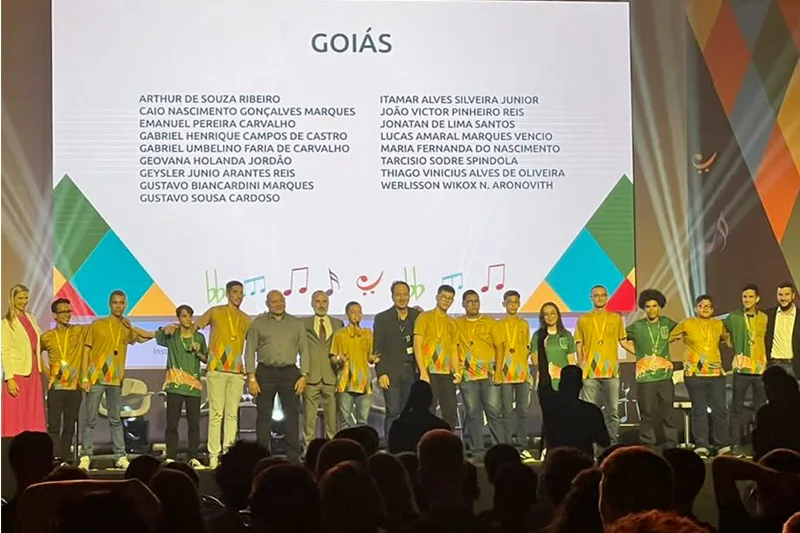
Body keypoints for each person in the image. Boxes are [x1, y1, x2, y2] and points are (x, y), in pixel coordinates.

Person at [80, 290, 153, 470]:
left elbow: (143, 339)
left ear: (125, 305)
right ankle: (86, 455)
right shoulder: (97, 324)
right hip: (96, 378)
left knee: (115, 420)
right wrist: (84, 377)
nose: (118, 306)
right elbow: (86, 351)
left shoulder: (126, 327)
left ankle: (120, 456)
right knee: (90, 419)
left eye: (121, 303)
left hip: (115, 380)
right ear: (109, 304)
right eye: (115, 302)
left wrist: (136, 328)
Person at [245, 290, 310, 462]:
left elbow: (304, 351)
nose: (278, 304)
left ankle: (293, 456)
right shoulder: (258, 323)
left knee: (292, 415)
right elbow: (249, 350)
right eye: (274, 302)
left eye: (280, 300)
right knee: (264, 416)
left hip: (290, 373)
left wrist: (304, 376)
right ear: (267, 304)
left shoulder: (296, 323)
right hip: (265, 373)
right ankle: (262, 455)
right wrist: (251, 378)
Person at [192, 280, 252, 469]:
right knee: (216, 414)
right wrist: (200, 351)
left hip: (236, 372)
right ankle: (213, 457)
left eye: (241, 292)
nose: (238, 296)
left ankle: (228, 456)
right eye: (235, 292)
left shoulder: (246, 318)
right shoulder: (215, 311)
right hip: (216, 369)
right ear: (227, 293)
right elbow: (195, 328)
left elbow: (254, 342)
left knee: (232, 415)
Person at [670, 294, 731, 457]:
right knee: (699, 411)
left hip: (716, 374)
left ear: (713, 309)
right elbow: (668, 337)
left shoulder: (718, 324)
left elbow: (727, 339)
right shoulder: (687, 323)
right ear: (696, 308)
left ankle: (722, 445)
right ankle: (701, 445)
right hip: (694, 374)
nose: (705, 309)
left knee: (720, 410)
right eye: (701, 306)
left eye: (708, 306)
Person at [574, 285, 630, 444]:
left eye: (602, 295)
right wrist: (580, 364)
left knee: (612, 412)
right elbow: (579, 343)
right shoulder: (583, 319)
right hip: (590, 373)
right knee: (589, 412)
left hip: (611, 372)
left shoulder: (616, 318)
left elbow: (624, 342)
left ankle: (611, 444)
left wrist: (642, 354)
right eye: (596, 295)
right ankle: (590, 445)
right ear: (591, 298)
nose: (599, 298)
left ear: (607, 297)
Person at [624, 289, 679, 449]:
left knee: (668, 412)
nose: (651, 309)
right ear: (644, 308)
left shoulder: (667, 323)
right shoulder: (637, 326)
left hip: (665, 377)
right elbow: (621, 338)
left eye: (654, 306)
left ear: (660, 307)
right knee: (646, 412)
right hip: (645, 378)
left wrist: (671, 339)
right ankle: (648, 444)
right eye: (648, 306)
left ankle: (671, 444)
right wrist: (638, 353)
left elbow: (683, 332)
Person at [156, 304, 208, 466]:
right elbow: (158, 336)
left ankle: (193, 456)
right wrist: (166, 328)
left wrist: (198, 352)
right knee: (172, 423)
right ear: (178, 318)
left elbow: (206, 359)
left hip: (193, 387)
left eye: (190, 316)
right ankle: (171, 455)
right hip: (175, 386)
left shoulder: (199, 337)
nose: (188, 319)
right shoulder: (172, 335)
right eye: (184, 316)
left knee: (194, 423)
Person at [373, 281, 422, 441]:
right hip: (391, 373)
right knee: (393, 412)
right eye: (398, 294)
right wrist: (381, 373)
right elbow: (378, 349)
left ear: (409, 296)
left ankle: (408, 445)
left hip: (412, 373)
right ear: (392, 296)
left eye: (405, 294)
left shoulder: (417, 316)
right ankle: (391, 446)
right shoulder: (382, 318)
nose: (402, 298)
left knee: (410, 413)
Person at [455, 290, 502, 454]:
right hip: (467, 375)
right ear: (463, 304)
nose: (473, 304)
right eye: (469, 301)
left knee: (494, 413)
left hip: (489, 375)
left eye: (476, 301)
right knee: (473, 414)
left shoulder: (490, 322)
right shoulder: (457, 323)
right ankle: (477, 450)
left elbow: (500, 347)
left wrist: (498, 372)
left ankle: (499, 449)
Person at [40, 298, 87, 462]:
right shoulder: (46, 336)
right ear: (54, 315)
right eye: (63, 312)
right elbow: (35, 353)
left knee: (69, 426)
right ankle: (54, 457)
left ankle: (66, 458)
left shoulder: (78, 331)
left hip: (74, 388)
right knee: (53, 425)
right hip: (55, 388)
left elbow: (98, 328)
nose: (67, 314)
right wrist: (45, 370)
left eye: (69, 311)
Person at [724, 285, 769, 456]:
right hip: (741, 370)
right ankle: (735, 444)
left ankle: (761, 442)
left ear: (757, 298)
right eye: (744, 297)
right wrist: (729, 341)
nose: (747, 300)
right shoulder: (733, 317)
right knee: (736, 408)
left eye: (750, 297)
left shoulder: (763, 317)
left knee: (761, 409)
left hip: (759, 370)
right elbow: (722, 333)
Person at [1, 284, 46, 438]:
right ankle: (12, 444)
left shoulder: (31, 317)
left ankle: (33, 443)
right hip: (17, 373)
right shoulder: (6, 323)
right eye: (20, 298)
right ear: (12, 299)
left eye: (26, 298)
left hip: (33, 371)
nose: (24, 301)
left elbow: (40, 340)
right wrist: (9, 378)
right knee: (16, 412)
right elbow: (5, 352)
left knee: (33, 410)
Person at [413, 284, 460, 429]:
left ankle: (449, 439)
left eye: (450, 298)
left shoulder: (452, 323)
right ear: (437, 297)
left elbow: (453, 348)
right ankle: (428, 439)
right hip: (428, 372)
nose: (446, 300)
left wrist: (457, 371)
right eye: (444, 297)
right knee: (428, 410)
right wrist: (422, 371)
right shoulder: (424, 317)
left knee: (450, 411)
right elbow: (417, 345)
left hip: (446, 373)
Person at [302, 291, 342, 445]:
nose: (321, 305)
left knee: (332, 422)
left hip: (331, 376)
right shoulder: (303, 324)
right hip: (310, 377)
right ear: (312, 304)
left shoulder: (338, 324)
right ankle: (308, 451)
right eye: (317, 301)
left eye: (324, 301)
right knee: (309, 421)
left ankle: (332, 450)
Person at [495, 290, 532, 449]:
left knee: (523, 412)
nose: (513, 305)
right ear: (504, 304)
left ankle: (523, 444)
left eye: (516, 302)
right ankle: (507, 444)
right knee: (507, 412)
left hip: (522, 372)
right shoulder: (498, 324)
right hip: (504, 374)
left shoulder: (524, 324)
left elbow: (527, 347)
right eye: (510, 302)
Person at [332, 301, 376, 429]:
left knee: (363, 421)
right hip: (345, 381)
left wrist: (374, 358)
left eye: (359, 312)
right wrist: (339, 360)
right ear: (347, 315)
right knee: (345, 421)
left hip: (364, 381)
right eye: (353, 312)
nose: (357, 315)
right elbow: (333, 357)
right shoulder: (340, 334)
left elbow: (370, 357)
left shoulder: (368, 334)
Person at [388, 380, 450, 454]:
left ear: (411, 399)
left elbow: (393, 452)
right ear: (431, 400)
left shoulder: (397, 426)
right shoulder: (442, 427)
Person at [531, 302, 576, 392]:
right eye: (546, 314)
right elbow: (535, 361)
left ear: (558, 315)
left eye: (552, 313)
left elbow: (572, 362)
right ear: (542, 318)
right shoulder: (538, 336)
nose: (550, 316)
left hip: (564, 383)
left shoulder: (566, 335)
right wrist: (541, 347)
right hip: (545, 384)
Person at [766, 281, 799, 378]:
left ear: (793, 295)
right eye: (780, 295)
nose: (783, 298)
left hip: (795, 367)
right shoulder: (769, 315)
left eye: (787, 294)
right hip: (774, 366)